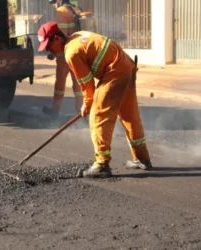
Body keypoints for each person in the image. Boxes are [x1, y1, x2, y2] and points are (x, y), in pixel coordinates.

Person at [37, 22, 153, 178]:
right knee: (128, 116)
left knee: (98, 116)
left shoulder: (71, 52)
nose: (48, 51)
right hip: (126, 66)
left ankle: (101, 164)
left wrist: (87, 103)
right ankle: (142, 158)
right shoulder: (77, 37)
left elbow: (86, 83)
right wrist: (88, 100)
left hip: (115, 72)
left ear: (56, 38)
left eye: (48, 46)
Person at [42, 0, 84, 118]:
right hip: (79, 52)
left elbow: (60, 36)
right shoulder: (77, 9)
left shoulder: (61, 11)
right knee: (78, 83)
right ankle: (81, 111)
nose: (54, 5)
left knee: (60, 81)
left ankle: (55, 110)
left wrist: (52, 52)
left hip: (65, 54)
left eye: (54, 2)